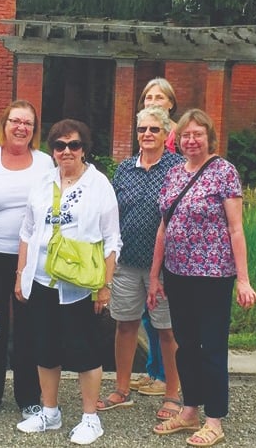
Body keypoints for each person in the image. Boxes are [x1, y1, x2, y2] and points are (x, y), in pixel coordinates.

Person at [149, 109, 256, 447]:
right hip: (178, 273)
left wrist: (243, 279)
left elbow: (236, 228)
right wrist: (154, 276)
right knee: (186, 347)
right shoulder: (173, 176)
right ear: (178, 140)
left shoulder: (224, 172)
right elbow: (163, 229)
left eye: (198, 134)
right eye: (185, 135)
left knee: (212, 347)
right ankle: (190, 409)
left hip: (213, 275)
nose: (191, 140)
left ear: (209, 137)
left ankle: (214, 419)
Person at [15, 119, 121, 446]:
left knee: (85, 350)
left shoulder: (98, 184)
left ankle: (91, 417)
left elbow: (111, 239)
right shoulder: (43, 181)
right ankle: (50, 411)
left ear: (84, 148)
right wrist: (22, 275)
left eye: (74, 145)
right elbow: (27, 231)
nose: (67, 152)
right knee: (45, 348)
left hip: (78, 284)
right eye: (60, 146)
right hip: (43, 279)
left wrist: (104, 285)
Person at [0, 100, 52, 419]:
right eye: (15, 121)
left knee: (29, 328)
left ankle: (29, 396)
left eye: (27, 123)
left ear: (34, 130)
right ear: (4, 124)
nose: (21, 128)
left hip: (32, 260)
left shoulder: (46, 165)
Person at [98, 106, 185, 420]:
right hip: (126, 261)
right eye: (142, 130)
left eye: (154, 129)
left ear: (165, 134)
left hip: (163, 266)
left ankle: (172, 394)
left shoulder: (177, 167)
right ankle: (121, 389)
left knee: (166, 329)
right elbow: (110, 212)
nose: (147, 135)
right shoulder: (124, 169)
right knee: (125, 325)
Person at [134, 77, 179, 396]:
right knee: (148, 318)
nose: (153, 100)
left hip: (167, 248)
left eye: (159, 97)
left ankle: (166, 378)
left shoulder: (177, 138)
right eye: (148, 96)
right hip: (138, 250)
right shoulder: (145, 132)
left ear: (171, 103)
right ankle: (153, 371)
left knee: (164, 319)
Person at [139, 77, 179, 154]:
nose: (152, 103)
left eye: (159, 98)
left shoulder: (180, 134)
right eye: (149, 98)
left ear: (171, 103)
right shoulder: (143, 131)